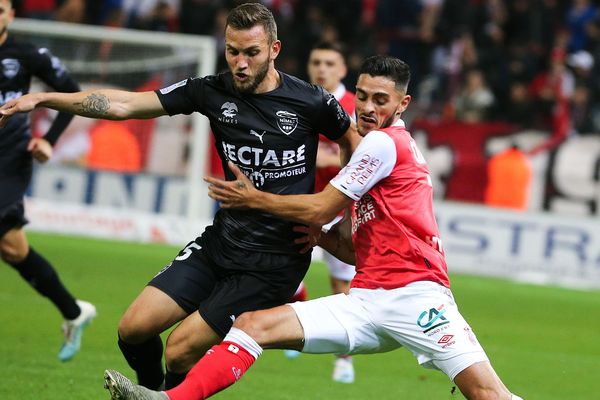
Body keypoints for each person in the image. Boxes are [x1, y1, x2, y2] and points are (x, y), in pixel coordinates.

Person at [102, 55, 522, 400]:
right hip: (365, 301)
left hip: (417, 298)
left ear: (403, 104)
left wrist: (255, 199)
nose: (368, 108)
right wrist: (322, 239)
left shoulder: (383, 143)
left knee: (488, 394)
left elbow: (321, 207)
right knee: (252, 325)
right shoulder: (375, 156)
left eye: (381, 99)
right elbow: (356, 249)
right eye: (361, 97)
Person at [0, 2, 360, 390]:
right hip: (222, 242)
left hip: (275, 261)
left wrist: (335, 211)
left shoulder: (311, 101)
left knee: (179, 350)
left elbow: (353, 146)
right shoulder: (210, 91)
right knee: (133, 329)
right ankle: (153, 396)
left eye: (251, 53)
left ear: (274, 50)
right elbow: (125, 104)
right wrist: (44, 99)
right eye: (232, 51)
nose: (240, 63)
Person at [0, 0, 96, 362]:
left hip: (8, 163)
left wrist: (48, 140)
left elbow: (71, 93)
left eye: (0, 9)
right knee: (13, 249)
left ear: (11, 15)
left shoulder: (24, 54)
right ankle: (74, 312)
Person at [290, 40, 357, 384]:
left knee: (341, 283)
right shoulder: (299, 100)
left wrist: (326, 158)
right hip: (300, 200)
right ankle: (292, 319)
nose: (322, 69)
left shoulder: (354, 107)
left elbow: (361, 155)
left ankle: (344, 358)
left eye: (330, 63)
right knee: (284, 269)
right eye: (317, 62)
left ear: (343, 69)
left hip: (339, 206)